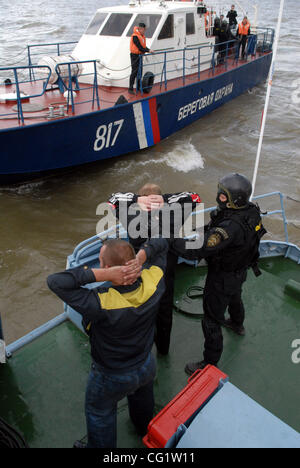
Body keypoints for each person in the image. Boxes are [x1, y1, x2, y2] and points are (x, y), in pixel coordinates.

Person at [47, 237, 168, 448]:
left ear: (108, 268)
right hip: (145, 361)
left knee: (99, 412)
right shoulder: (154, 280)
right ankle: (143, 427)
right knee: (142, 395)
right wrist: (141, 257)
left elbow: (55, 281)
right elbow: (162, 242)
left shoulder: (100, 302)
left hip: (112, 374)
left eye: (102, 264)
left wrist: (103, 274)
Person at [171, 173, 266, 375]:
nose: (218, 197)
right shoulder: (251, 211)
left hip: (221, 277)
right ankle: (237, 324)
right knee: (235, 297)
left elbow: (199, 248)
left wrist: (171, 242)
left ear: (234, 199)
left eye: (223, 196)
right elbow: (216, 228)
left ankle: (209, 362)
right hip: (239, 271)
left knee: (212, 320)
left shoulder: (229, 228)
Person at [108, 184, 202, 355]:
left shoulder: (130, 215)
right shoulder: (175, 214)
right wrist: (164, 199)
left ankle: (139, 349)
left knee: (139, 311)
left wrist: (137, 200)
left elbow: (112, 199)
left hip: (139, 273)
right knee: (164, 312)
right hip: (165, 273)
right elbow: (195, 197)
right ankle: (163, 350)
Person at [129, 23, 154, 95]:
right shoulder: (135, 36)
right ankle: (130, 88)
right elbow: (139, 47)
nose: (144, 31)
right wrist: (148, 51)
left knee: (140, 71)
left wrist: (149, 50)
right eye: (144, 29)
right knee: (134, 71)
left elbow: (143, 47)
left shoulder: (142, 36)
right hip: (135, 56)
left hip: (140, 55)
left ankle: (139, 86)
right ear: (140, 29)